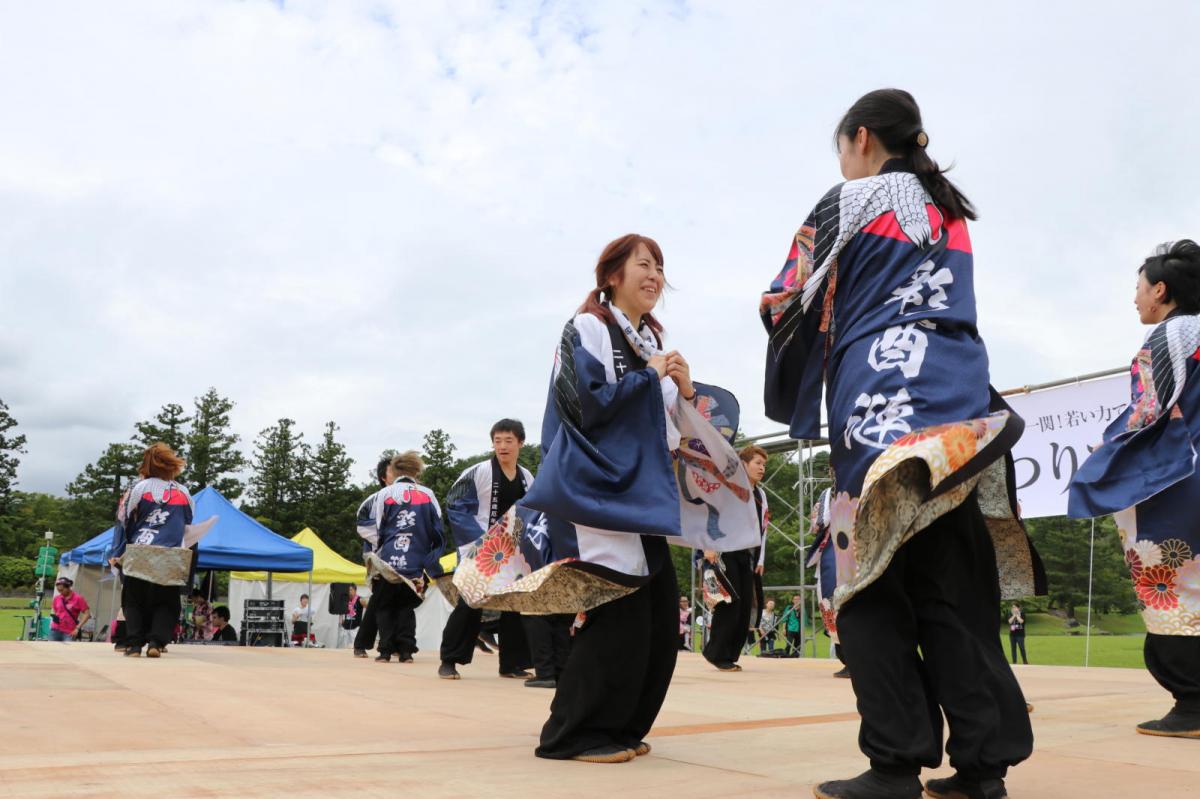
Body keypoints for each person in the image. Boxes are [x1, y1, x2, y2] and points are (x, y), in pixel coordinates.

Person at [759, 89, 1044, 799]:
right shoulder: (948, 208)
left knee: (870, 591)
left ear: (861, 138)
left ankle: (894, 760)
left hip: (877, 412)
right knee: (953, 590)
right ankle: (983, 767)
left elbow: (779, 303)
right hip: (954, 409)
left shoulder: (845, 204)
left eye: (843, 150)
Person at [463, 233, 757, 764]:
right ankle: (572, 734)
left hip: (642, 494)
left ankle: (619, 726)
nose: (654, 275)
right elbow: (584, 405)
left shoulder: (650, 346)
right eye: (643, 264)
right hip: (603, 491)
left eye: (660, 268)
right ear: (611, 276)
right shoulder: (589, 327)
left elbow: (685, 434)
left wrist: (688, 394)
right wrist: (650, 378)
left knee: (660, 618)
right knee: (618, 612)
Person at [1069, 239, 1200, 739]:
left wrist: (1107, 454)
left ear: (1161, 290)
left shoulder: (1171, 336)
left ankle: (1192, 702)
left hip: (1179, 475)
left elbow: (1149, 412)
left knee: (1171, 586)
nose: (1135, 298)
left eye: (1140, 287)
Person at [439, 420, 540, 681]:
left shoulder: (527, 477)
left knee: (514, 604)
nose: (503, 446)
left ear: (520, 443)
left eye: (508, 441)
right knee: (470, 602)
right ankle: (449, 660)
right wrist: (479, 542)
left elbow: (533, 513)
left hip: (513, 549)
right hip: (482, 548)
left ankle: (512, 663)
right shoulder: (479, 472)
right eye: (497, 441)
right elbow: (455, 504)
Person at [110, 443, 214, 658]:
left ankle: (135, 644)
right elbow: (187, 524)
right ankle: (157, 642)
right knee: (166, 600)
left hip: (141, 550)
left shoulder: (138, 488)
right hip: (171, 553)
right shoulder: (184, 493)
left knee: (134, 599)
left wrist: (116, 552)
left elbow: (123, 520)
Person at [356, 451, 445, 663]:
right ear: (416, 471)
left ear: (394, 472)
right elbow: (438, 527)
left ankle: (385, 651)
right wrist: (430, 553)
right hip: (415, 561)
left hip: (388, 561)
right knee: (406, 606)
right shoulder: (428, 494)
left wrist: (378, 548)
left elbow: (368, 523)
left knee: (385, 606)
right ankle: (406, 651)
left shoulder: (383, 495)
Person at [353, 458, 390, 658]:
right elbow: (363, 526)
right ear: (384, 477)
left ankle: (396, 645)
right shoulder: (374, 500)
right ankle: (365, 643)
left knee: (398, 601)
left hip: (403, 558)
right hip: (379, 556)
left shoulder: (410, 498)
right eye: (394, 471)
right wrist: (388, 543)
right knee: (380, 599)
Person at [48, 577, 91, 642]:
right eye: (58, 590)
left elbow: (87, 614)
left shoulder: (78, 598)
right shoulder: (57, 598)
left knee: (68, 651)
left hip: (70, 632)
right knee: (51, 650)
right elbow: (56, 611)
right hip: (55, 630)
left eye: (62, 590)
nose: (60, 592)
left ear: (68, 587)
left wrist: (77, 628)